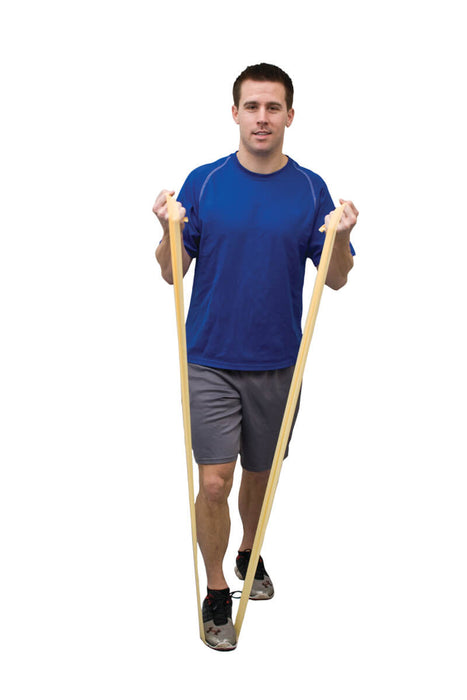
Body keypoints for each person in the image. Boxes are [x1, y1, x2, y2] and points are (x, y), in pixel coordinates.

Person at [153, 63, 358, 651]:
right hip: (209, 358)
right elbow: (172, 273)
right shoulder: (204, 182)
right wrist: (166, 231)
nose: (261, 118)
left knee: (260, 478)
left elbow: (335, 279)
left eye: (273, 107)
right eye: (251, 106)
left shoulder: (311, 189)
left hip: (277, 362)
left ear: (289, 115)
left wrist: (342, 237)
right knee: (215, 481)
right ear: (235, 113)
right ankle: (217, 587)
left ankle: (249, 550)